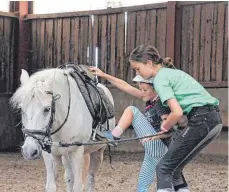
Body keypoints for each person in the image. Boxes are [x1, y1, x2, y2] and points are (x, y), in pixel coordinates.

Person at [126, 44, 222, 192]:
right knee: (174, 170)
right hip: (214, 120)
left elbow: (176, 113)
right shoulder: (171, 73)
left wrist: (163, 128)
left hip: (201, 119)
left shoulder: (159, 79)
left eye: (137, 68)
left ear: (149, 63)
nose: (137, 72)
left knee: (163, 168)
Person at [89, 66, 187, 192]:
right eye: (141, 89)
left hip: (159, 146)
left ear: (156, 89)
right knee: (142, 186)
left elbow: (170, 127)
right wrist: (104, 75)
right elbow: (126, 86)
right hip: (153, 151)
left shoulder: (159, 104)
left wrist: (158, 135)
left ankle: (114, 136)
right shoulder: (150, 99)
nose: (142, 92)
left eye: (145, 90)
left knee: (132, 110)